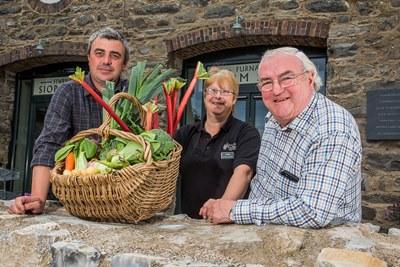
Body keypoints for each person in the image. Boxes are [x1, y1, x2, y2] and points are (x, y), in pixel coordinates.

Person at [204, 47, 362, 228]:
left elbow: (312, 212)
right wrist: (223, 206)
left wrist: (233, 210)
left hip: (318, 247)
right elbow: (262, 184)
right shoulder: (273, 118)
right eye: (267, 82)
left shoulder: (333, 127)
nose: (277, 90)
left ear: (309, 78)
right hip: (266, 238)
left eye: (287, 78)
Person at [8, 27, 130, 215]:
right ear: (89, 58)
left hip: (123, 198)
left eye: (114, 55)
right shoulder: (68, 92)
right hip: (75, 199)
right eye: (99, 53)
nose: (106, 61)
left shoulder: (133, 95)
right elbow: (49, 143)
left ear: (124, 64)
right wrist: (38, 199)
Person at [174, 67, 261, 219]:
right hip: (188, 225)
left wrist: (222, 208)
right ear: (205, 95)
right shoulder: (185, 133)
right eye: (212, 90)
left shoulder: (246, 133)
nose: (218, 96)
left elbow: (244, 173)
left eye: (226, 92)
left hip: (227, 223)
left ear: (234, 99)